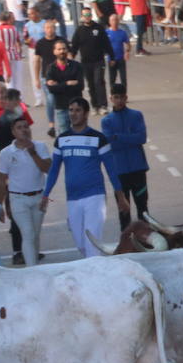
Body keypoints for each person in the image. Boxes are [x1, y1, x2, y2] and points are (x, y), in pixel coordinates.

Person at [42, 98, 126, 258]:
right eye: (71, 110)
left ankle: (97, 281)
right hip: (72, 199)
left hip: (95, 197)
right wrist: (46, 194)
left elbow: (111, 169)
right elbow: (54, 170)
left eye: (78, 110)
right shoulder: (62, 140)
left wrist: (120, 196)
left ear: (86, 113)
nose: (73, 114)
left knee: (92, 246)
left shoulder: (99, 139)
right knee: (81, 246)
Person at [0, 117, 50, 266]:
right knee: (28, 233)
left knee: (35, 235)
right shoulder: (6, 152)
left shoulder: (40, 146)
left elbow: (48, 169)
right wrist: (0, 205)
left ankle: (34, 264)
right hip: (18, 199)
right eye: (19, 127)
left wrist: (33, 153)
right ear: (13, 132)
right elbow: (1, 180)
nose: (24, 130)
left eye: (26, 127)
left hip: (38, 197)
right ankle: (31, 269)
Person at [100, 85, 149, 232]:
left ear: (126, 98)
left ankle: (146, 238)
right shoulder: (106, 121)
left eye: (122, 97)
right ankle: (126, 242)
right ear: (111, 99)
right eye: (116, 97)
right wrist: (129, 137)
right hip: (119, 172)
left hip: (138, 169)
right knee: (124, 210)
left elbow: (141, 138)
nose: (119, 100)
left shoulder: (136, 115)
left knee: (143, 209)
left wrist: (118, 136)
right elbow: (111, 145)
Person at [70, 9, 110, 108]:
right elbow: (74, 46)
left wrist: (112, 56)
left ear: (91, 16)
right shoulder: (79, 30)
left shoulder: (98, 28)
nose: (87, 16)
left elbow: (106, 43)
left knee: (99, 82)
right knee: (91, 84)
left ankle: (103, 105)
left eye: (89, 14)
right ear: (82, 17)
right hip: (86, 62)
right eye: (85, 15)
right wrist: (71, 57)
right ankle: (95, 105)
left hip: (99, 61)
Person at [44, 40, 84, 136]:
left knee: (80, 135)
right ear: (54, 51)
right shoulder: (51, 68)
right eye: (59, 49)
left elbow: (80, 86)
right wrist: (68, 83)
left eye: (64, 48)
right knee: (65, 138)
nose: (62, 51)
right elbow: (51, 89)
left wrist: (59, 85)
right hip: (61, 108)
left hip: (77, 107)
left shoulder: (76, 66)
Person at [105, 13, 131, 91]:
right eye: (113, 20)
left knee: (123, 78)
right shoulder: (106, 33)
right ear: (109, 22)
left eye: (116, 20)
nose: (115, 22)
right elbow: (102, 45)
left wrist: (127, 52)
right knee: (112, 78)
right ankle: (113, 94)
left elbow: (128, 44)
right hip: (111, 58)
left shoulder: (122, 33)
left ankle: (124, 94)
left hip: (121, 58)